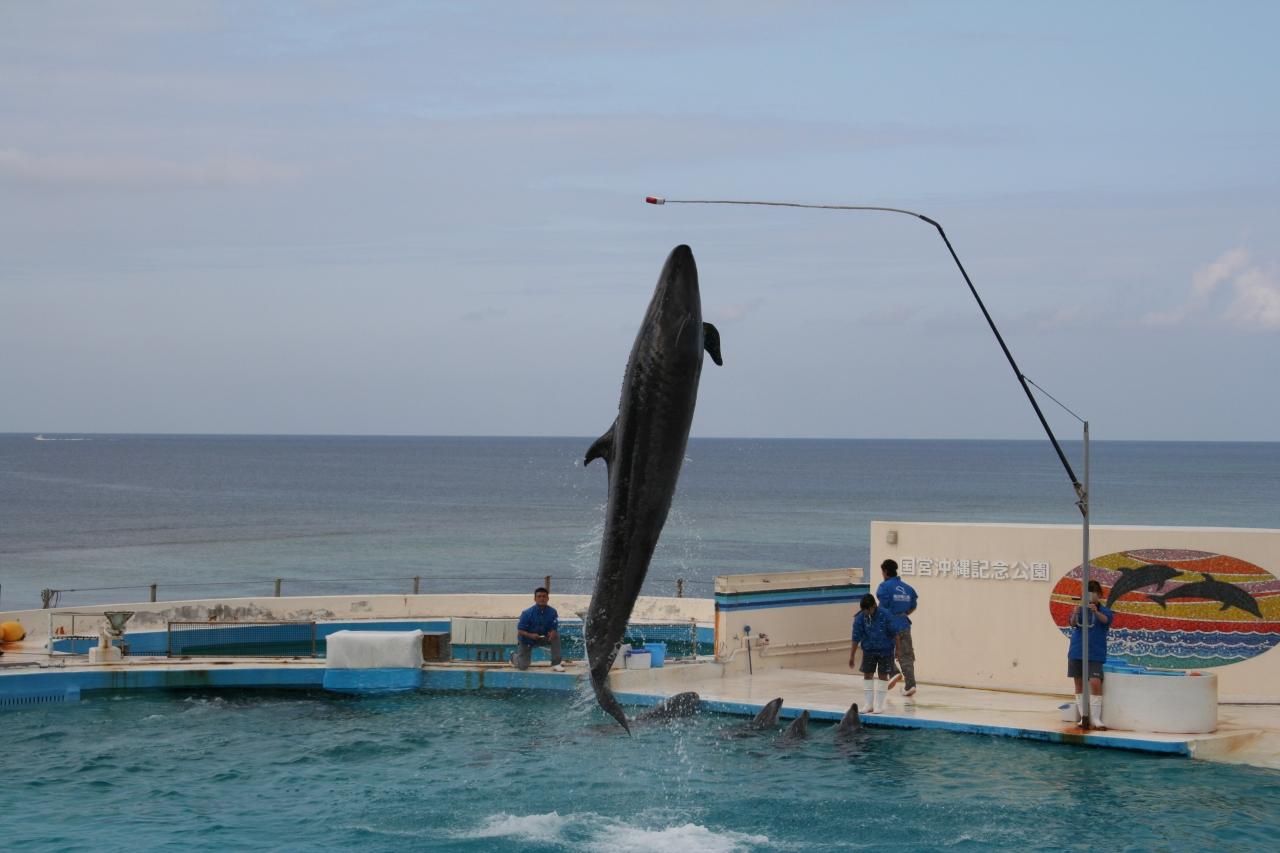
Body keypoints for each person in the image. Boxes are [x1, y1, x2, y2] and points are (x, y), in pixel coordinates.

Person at [1068, 579, 1113, 728]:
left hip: (1095, 652)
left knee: (1095, 682)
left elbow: (1106, 620)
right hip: (1077, 650)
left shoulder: (1104, 610)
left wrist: (1096, 611)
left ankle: (1096, 718)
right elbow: (1072, 623)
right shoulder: (1080, 608)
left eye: (1093, 593)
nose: (1090, 596)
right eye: (1087, 593)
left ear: (1099, 595)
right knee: (1078, 682)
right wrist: (1075, 613)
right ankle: (1084, 717)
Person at [849, 592, 898, 714]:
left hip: (885, 651)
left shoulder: (886, 615)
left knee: (883, 676)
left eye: (867, 610)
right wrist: (852, 656)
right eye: (863, 610)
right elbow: (856, 637)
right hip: (869, 651)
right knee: (867, 675)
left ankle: (879, 705)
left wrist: (899, 650)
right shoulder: (860, 617)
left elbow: (895, 633)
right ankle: (868, 704)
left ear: (873, 606)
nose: (865, 612)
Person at [876, 559, 919, 697]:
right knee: (906, 655)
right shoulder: (908, 588)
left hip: (888, 624)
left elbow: (883, 607)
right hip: (904, 624)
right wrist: (903, 614)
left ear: (885, 572)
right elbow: (913, 606)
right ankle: (910, 685)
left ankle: (893, 672)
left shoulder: (884, 587)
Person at [511, 586, 566, 672]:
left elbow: (554, 627)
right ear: (535, 599)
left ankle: (556, 664)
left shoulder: (553, 612)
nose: (542, 598)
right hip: (527, 640)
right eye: (539, 596)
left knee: (556, 636)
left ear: (548, 598)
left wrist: (553, 632)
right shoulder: (526, 613)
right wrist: (530, 635)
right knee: (523, 666)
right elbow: (520, 631)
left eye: (544, 596)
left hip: (542, 638)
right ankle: (513, 656)